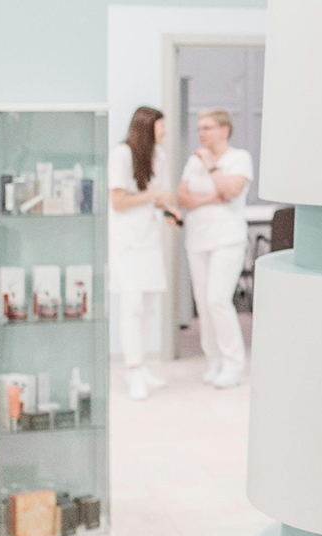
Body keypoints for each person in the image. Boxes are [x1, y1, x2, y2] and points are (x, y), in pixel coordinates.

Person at [175, 108, 256, 389]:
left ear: (224, 130)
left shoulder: (239, 158)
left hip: (227, 239)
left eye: (207, 127)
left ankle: (234, 363)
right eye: (199, 127)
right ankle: (214, 360)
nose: (201, 133)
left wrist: (211, 167)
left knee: (218, 300)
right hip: (198, 239)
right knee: (204, 303)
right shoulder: (192, 160)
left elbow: (232, 191)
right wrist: (212, 196)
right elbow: (182, 197)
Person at [109, 106, 182, 401]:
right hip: (126, 242)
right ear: (146, 128)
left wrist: (170, 212)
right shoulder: (122, 154)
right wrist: (154, 197)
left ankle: (145, 366)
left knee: (150, 303)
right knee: (133, 304)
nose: (164, 132)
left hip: (149, 239)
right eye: (160, 127)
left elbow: (160, 198)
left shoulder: (159, 156)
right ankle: (133, 369)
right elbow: (118, 201)